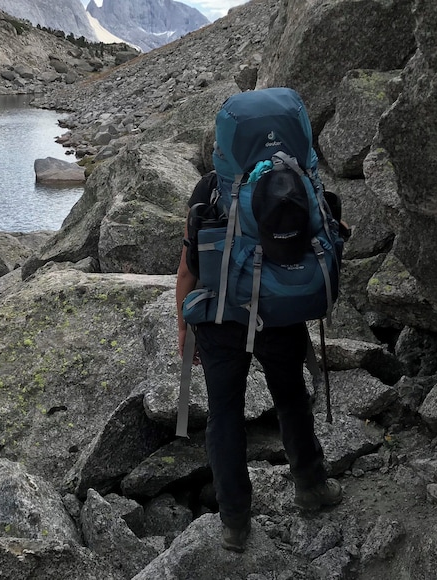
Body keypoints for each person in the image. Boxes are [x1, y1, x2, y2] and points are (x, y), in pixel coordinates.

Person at [175, 171, 343, 553]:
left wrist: (184, 328)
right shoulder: (293, 181)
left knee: (225, 412)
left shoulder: (210, 188)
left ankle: (234, 523)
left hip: (220, 319)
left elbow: (188, 267)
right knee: (291, 398)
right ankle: (311, 487)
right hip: (279, 314)